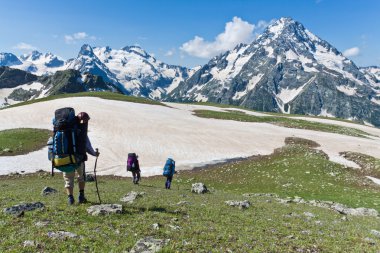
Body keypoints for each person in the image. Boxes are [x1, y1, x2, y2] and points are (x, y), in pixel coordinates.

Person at [63, 112, 99, 205]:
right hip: (79, 158)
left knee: (68, 179)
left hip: (65, 158)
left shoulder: (63, 130)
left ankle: (70, 199)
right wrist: (94, 154)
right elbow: (87, 146)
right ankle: (81, 196)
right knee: (81, 177)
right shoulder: (81, 131)